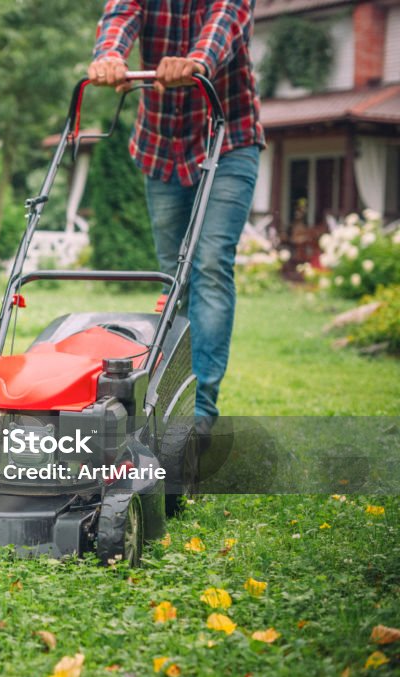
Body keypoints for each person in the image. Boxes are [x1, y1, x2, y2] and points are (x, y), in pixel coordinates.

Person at [88, 1, 264, 422]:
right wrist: (110, 55)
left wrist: (196, 62)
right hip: (161, 145)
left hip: (228, 140)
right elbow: (121, 12)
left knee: (209, 263)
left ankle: (200, 409)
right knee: (173, 276)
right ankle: (169, 400)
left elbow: (225, 20)